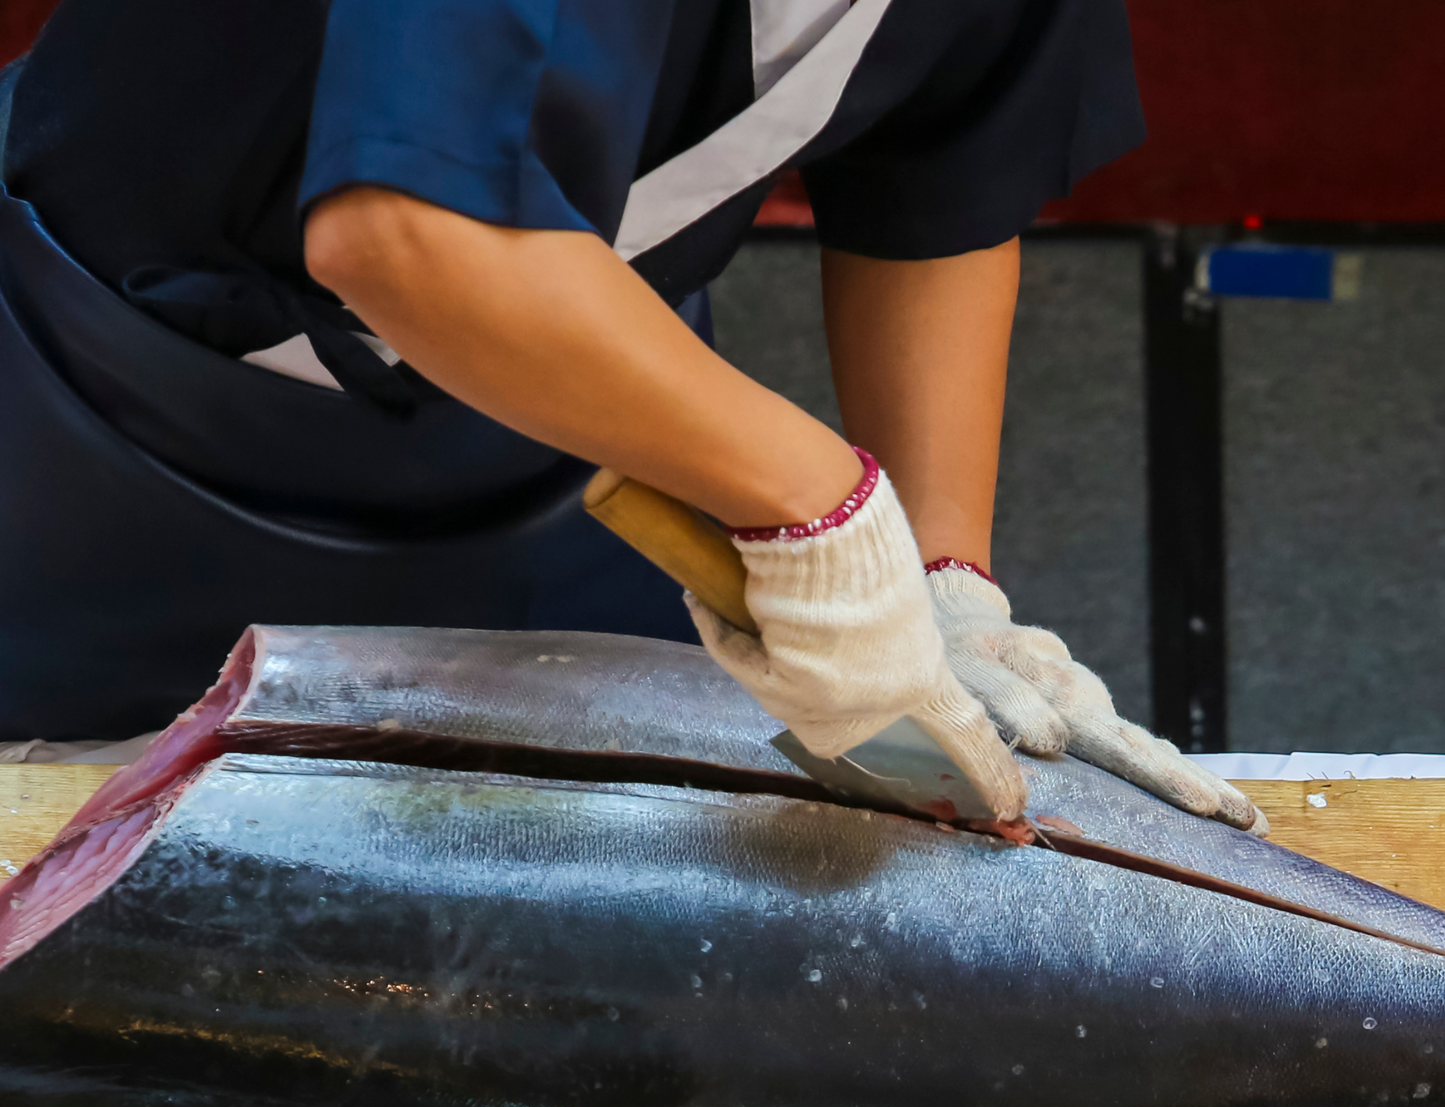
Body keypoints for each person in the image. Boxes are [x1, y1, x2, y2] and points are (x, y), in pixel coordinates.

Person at [0, 0, 1262, 829]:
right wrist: (816, 511)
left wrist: (941, 584)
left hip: (560, 451)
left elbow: (944, 176)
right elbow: (407, 231)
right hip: (74, 439)